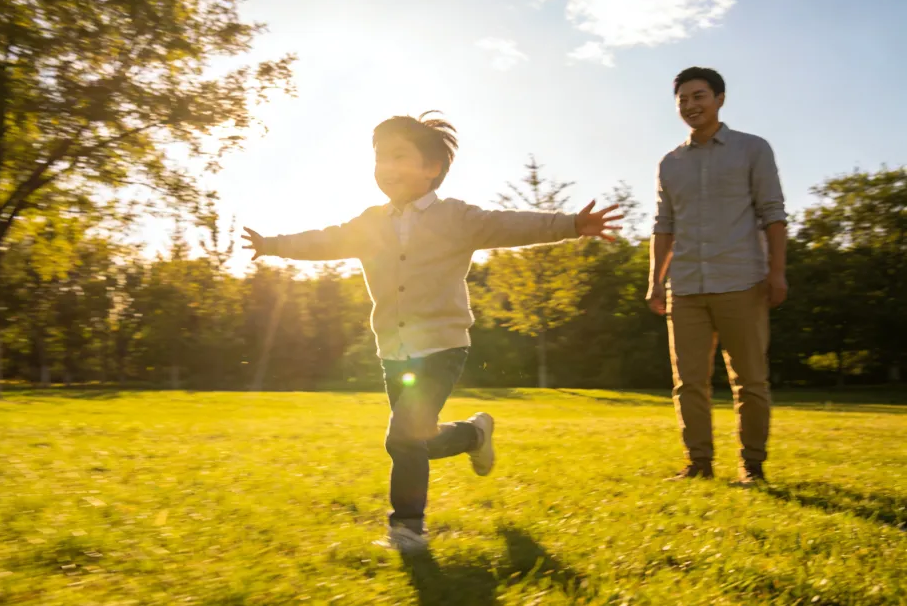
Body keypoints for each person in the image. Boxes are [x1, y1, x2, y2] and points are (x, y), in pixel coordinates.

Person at [242, 111, 623, 552]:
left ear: (432, 168)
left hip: (442, 346)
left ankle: (407, 529)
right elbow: (325, 240)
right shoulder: (370, 223)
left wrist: (571, 225)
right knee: (416, 438)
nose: (386, 166)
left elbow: (512, 223)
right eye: (380, 157)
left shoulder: (456, 218)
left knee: (402, 437)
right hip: (394, 350)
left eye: (399, 156)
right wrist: (273, 245)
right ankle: (473, 435)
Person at [646, 67, 788, 487]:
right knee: (687, 382)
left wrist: (776, 272)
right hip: (686, 286)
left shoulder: (752, 149)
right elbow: (663, 225)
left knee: (750, 382)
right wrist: (656, 281)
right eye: (683, 100)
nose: (690, 105)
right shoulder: (669, 163)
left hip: (742, 281)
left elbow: (773, 214)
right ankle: (699, 464)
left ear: (720, 99)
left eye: (699, 96)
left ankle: (752, 467)